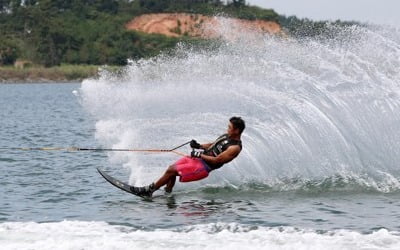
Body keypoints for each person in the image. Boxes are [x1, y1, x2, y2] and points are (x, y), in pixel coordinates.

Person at [132, 117, 245, 198]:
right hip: (198, 160)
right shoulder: (227, 136)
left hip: (203, 167)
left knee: (172, 171)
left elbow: (217, 160)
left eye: (230, 127)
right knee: (171, 169)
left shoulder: (234, 148)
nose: (227, 129)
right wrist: (199, 145)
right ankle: (167, 195)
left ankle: (148, 191)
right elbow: (214, 144)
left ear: (237, 130)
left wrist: (199, 154)